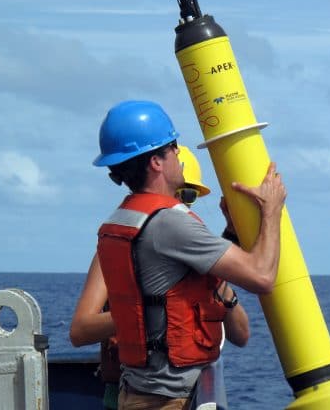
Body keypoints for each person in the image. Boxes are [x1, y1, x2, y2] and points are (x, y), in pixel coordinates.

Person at [91, 99, 286, 410]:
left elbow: (178, 282)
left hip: (136, 393)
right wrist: (272, 211)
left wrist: (231, 235)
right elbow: (262, 277)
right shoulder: (169, 223)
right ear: (156, 161)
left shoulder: (125, 219)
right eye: (173, 147)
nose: (179, 153)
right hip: (167, 401)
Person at [69, 144, 247, 409]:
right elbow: (80, 330)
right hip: (134, 390)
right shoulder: (119, 250)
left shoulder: (196, 258)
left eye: (187, 195)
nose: (176, 205)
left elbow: (241, 334)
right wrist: (150, 312)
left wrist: (216, 274)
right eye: (173, 195)